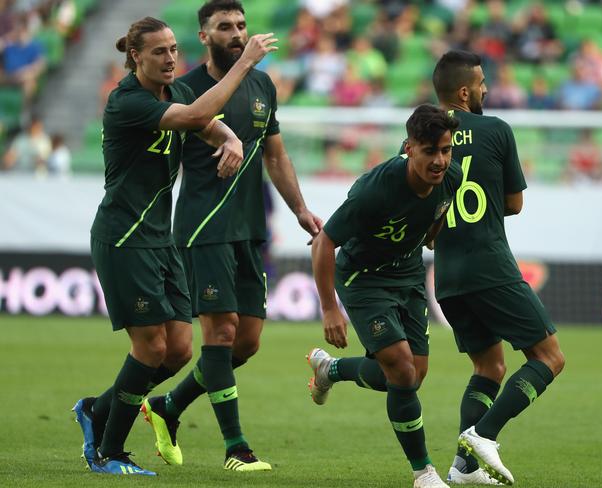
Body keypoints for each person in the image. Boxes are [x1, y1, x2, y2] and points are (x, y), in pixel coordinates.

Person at [71, 16, 276, 476]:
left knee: (180, 349)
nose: (169, 58)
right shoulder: (127, 101)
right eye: (158, 52)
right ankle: (108, 451)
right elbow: (193, 118)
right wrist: (244, 63)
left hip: (161, 240)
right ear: (135, 57)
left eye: (172, 50)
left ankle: (97, 410)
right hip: (124, 238)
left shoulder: (176, 92)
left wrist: (230, 138)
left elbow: (206, 125)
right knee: (149, 348)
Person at [140, 0, 322, 473]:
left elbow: (275, 155)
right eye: (225, 27)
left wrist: (300, 209)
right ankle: (236, 448)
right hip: (204, 226)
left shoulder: (263, 85)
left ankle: (168, 407)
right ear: (204, 36)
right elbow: (200, 124)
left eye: (241, 25)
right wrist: (243, 64)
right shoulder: (184, 88)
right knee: (220, 333)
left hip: (248, 229)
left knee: (247, 342)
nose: (237, 33)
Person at [308, 104, 462, 488]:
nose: (440, 160)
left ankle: (332, 369)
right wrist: (329, 307)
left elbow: (437, 215)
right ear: (409, 149)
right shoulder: (375, 190)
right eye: (430, 152)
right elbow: (324, 241)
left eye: (446, 150)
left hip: (407, 275)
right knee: (402, 370)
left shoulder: (451, 178)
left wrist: (431, 234)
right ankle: (423, 472)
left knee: (411, 375)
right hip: (364, 278)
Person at [429, 50, 565, 485]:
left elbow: (417, 204)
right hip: (489, 265)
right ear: (465, 91)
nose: (487, 88)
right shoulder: (495, 129)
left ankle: (462, 468)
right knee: (549, 357)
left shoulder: (421, 136)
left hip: (446, 275)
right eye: (483, 82)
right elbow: (514, 203)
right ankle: (484, 435)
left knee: (489, 368)